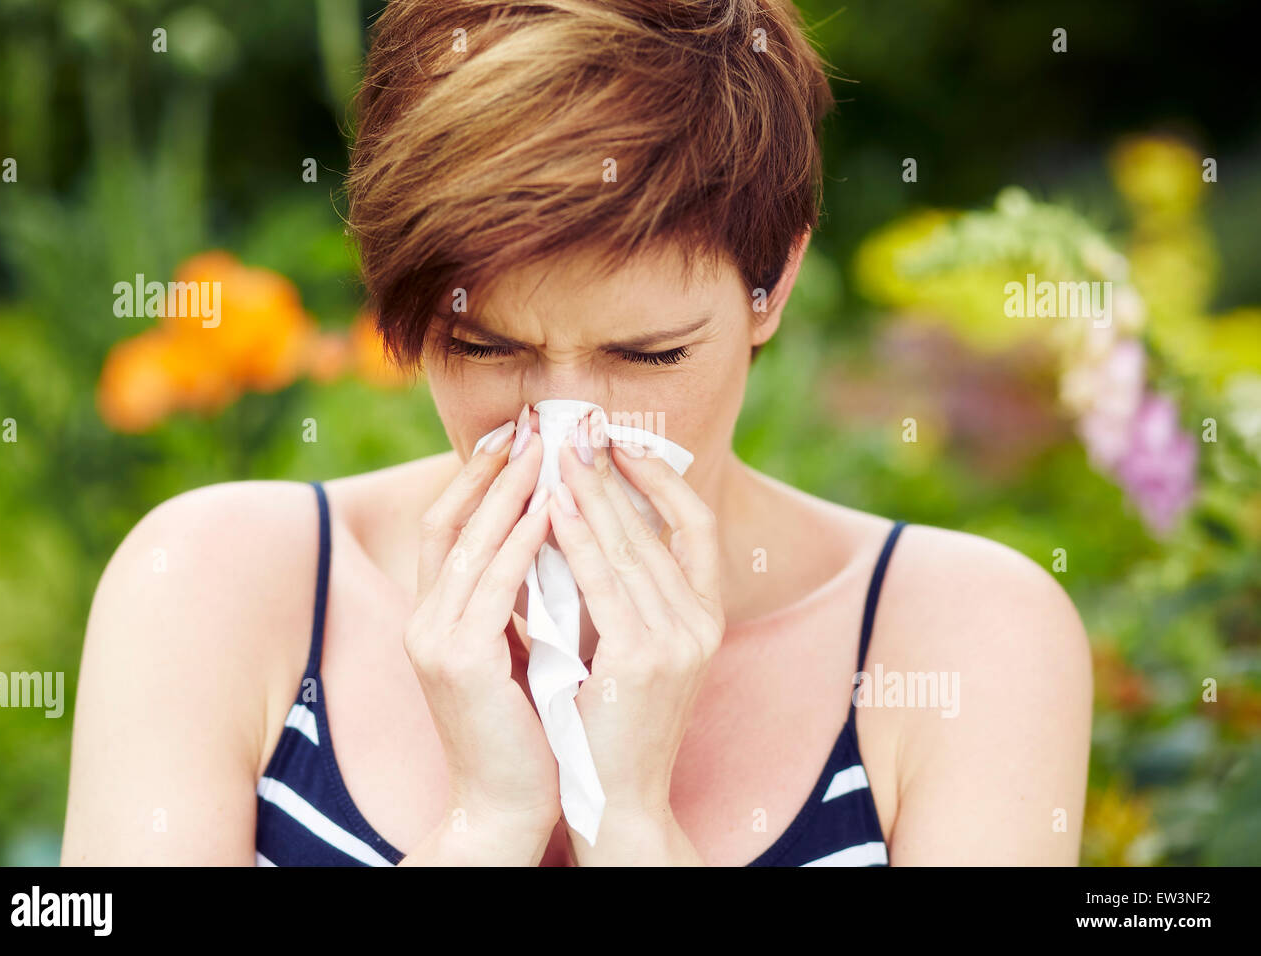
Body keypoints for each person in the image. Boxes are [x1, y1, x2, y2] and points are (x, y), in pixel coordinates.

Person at [61, 0, 1092, 866]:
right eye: (483, 348)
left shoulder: (965, 636)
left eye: (647, 356)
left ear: (772, 277)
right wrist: (488, 821)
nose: (570, 427)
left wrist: (632, 820)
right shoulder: (214, 584)